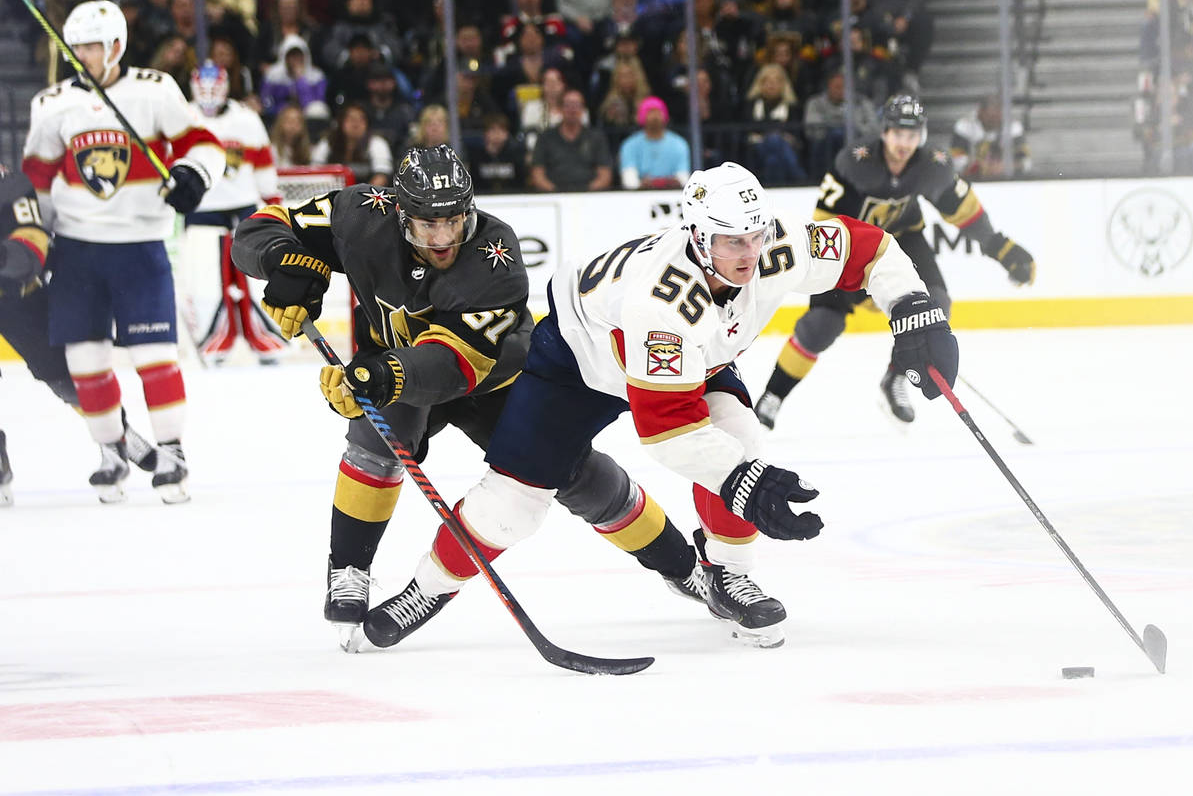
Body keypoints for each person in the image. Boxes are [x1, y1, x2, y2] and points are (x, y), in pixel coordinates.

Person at [363, 161, 959, 650]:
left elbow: (873, 248)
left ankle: (729, 575)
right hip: (579, 361)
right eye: (731, 240)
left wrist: (913, 309)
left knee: (742, 437)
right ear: (699, 237)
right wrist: (744, 485)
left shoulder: (773, 243)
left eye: (754, 235)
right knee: (512, 507)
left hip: (694, 357)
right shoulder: (660, 302)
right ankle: (429, 586)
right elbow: (666, 428)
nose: (749, 252)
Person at [231, 144, 692, 650]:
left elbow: (456, 362)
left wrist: (377, 373)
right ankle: (348, 570)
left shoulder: (496, 251)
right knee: (374, 441)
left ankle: (681, 564)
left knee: (571, 470)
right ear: (401, 213)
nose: (443, 237)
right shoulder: (361, 215)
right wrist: (287, 261)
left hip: (491, 377)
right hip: (396, 367)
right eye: (428, 224)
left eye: (454, 221)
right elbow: (258, 228)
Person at [21, 0, 226, 504]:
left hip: (139, 247)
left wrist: (192, 176)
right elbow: (38, 181)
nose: (83, 56)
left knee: (155, 356)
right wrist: (35, 240)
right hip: (75, 249)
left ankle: (172, 450)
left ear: (116, 46)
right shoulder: (51, 103)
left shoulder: (154, 90)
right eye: (77, 48)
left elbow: (205, 144)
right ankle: (110, 451)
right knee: (85, 360)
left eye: (92, 46)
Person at [753, 95, 1034, 430]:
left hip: (903, 241)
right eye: (899, 133)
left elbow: (965, 211)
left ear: (923, 136)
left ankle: (896, 378)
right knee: (822, 325)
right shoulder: (854, 162)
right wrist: (864, 284)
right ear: (884, 132)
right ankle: (773, 395)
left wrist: (1003, 250)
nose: (905, 143)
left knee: (935, 304)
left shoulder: (932, 165)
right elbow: (823, 227)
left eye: (913, 135)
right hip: (847, 247)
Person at [1, 165, 157, 506]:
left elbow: (32, 242)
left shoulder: (9, 183)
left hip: (17, 296)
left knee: (61, 375)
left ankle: (115, 435)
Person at [183, 62, 287, 365]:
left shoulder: (246, 119)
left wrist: (274, 205)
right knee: (206, 284)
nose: (209, 94)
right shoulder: (182, 118)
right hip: (201, 211)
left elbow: (264, 166)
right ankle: (214, 345)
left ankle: (267, 342)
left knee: (257, 281)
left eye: (215, 86)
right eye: (203, 87)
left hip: (244, 209)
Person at [529, 89, 613, 192]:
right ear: (560, 109)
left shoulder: (596, 137)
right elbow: (537, 175)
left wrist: (584, 193)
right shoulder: (545, 137)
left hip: (589, 196)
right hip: (553, 196)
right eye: (568, 105)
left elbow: (605, 175)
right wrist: (556, 192)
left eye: (576, 105)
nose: (572, 109)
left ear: (583, 109)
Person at [949, 93, 1032, 179]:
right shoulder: (964, 125)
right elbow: (957, 162)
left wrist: (1005, 167)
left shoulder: (1013, 126)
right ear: (980, 112)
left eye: (999, 116)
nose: (995, 121)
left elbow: (1025, 162)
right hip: (973, 180)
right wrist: (982, 167)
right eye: (991, 116)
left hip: (1006, 181)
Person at [617, 96, 691, 190]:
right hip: (640, 195)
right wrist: (640, 184)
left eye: (659, 112)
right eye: (650, 112)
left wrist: (673, 181)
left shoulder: (679, 144)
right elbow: (629, 178)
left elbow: (683, 176)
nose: (655, 116)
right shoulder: (630, 145)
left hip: (672, 193)